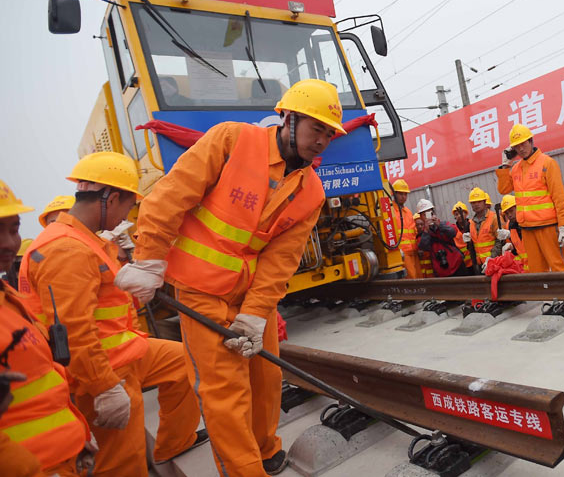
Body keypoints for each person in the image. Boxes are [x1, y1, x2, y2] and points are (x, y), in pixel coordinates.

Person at [115, 79, 346, 476]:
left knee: (266, 375)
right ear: (287, 118)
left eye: (328, 133)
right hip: (200, 291)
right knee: (225, 392)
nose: (322, 140)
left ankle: (265, 446)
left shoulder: (311, 191)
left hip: (250, 295)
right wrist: (150, 259)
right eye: (316, 128)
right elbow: (170, 197)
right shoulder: (232, 141)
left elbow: (281, 260)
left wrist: (256, 313)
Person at [18, 154, 206, 476]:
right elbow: (74, 333)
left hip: (122, 351)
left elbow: (103, 304)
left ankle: (174, 443)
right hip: (101, 368)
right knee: (123, 464)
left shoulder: (83, 240)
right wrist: (104, 387)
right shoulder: (66, 250)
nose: (124, 218)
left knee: (186, 359)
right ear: (112, 198)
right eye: (128, 207)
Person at [0, 179, 94, 477]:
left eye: (13, 229)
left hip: (62, 454)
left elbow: (44, 374)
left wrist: (76, 431)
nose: (7, 243)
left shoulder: (7, 296)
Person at [496, 124, 564, 272]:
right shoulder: (516, 168)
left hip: (548, 227)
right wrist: (505, 166)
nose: (521, 149)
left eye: (523, 144)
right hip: (527, 229)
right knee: (536, 269)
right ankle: (545, 295)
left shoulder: (547, 163)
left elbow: (559, 197)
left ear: (531, 141)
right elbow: (503, 189)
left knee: (559, 266)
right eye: (517, 147)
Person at [415, 199, 471, 277]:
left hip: (457, 264)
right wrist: (426, 230)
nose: (428, 217)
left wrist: (439, 225)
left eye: (429, 213)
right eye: (424, 214)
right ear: (421, 217)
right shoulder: (423, 234)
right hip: (440, 270)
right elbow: (424, 247)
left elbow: (453, 232)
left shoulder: (444, 224)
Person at [390, 179, 421, 279]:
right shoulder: (391, 211)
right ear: (394, 194)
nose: (404, 197)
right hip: (403, 254)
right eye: (401, 194)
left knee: (419, 278)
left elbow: (413, 231)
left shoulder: (407, 211)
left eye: (405, 194)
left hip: (414, 251)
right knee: (411, 279)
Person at [465, 187, 504, 267]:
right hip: (480, 264)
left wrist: (491, 258)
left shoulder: (494, 218)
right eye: (473, 202)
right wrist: (468, 242)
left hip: (495, 262)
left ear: (485, 202)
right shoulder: (471, 222)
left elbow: (500, 241)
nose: (476, 204)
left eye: (479, 201)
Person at [494, 194, 528, 269]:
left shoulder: (527, 220)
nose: (509, 215)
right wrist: (509, 247)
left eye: (511, 211)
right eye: (506, 213)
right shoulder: (509, 225)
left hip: (538, 267)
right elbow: (516, 248)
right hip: (523, 270)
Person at [451, 202, 475, 272]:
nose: (459, 216)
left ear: (466, 213)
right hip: (462, 264)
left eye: (461, 213)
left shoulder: (473, 224)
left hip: (475, 261)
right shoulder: (453, 229)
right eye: (456, 214)